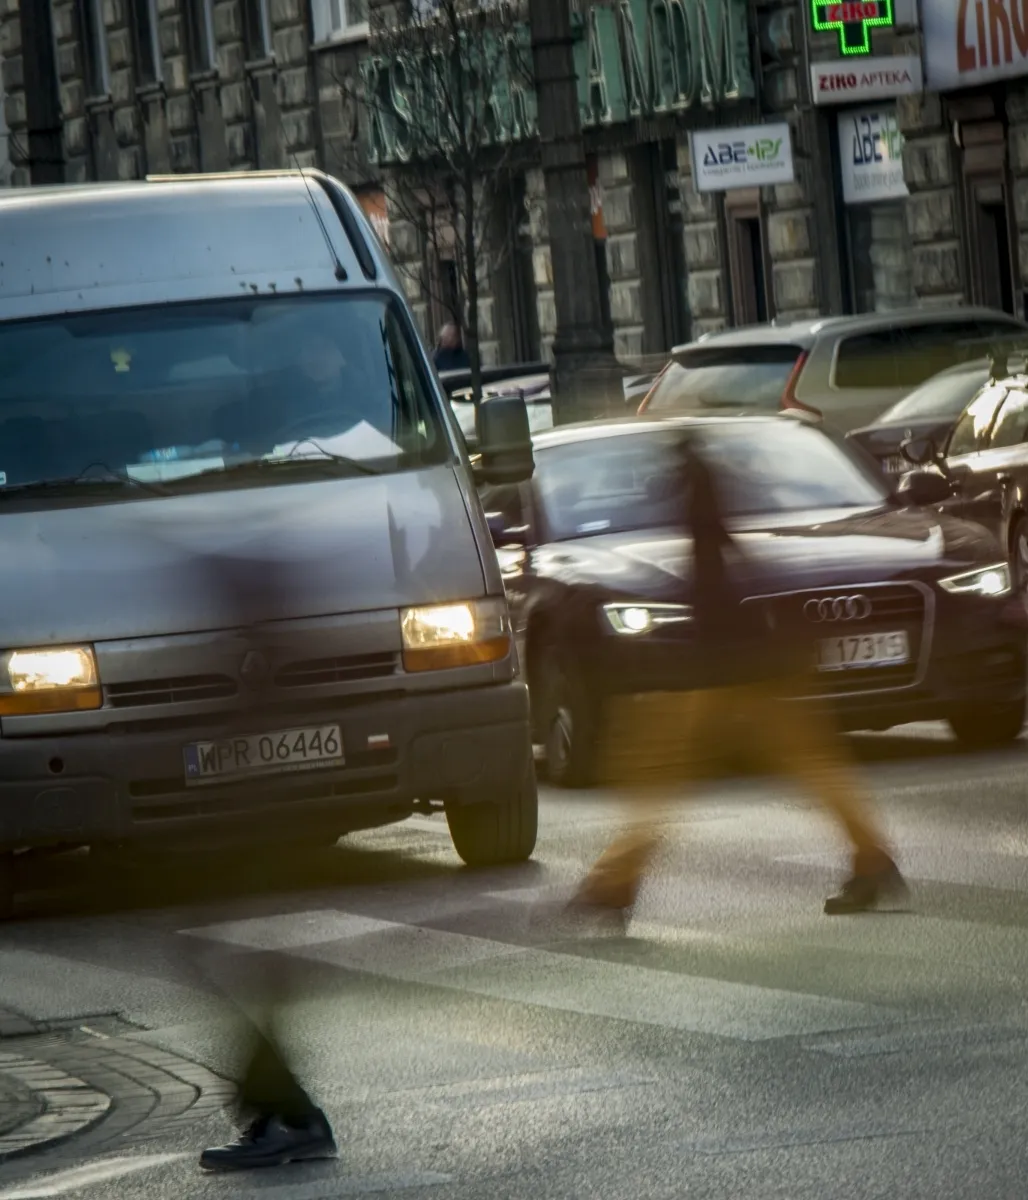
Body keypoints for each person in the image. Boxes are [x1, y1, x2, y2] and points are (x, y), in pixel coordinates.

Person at [572, 431, 907, 919]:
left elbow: (712, 566)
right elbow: (724, 558)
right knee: (805, 760)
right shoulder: (708, 490)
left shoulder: (696, 492)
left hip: (723, 663)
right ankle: (871, 857)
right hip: (743, 657)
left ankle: (615, 883)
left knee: (667, 769)